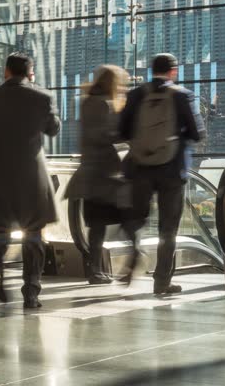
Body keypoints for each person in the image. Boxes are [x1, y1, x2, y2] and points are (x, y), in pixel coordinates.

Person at [0, 52, 61, 309]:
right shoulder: (42, 97)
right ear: (29, 73)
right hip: (32, 178)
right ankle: (31, 291)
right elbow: (53, 129)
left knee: (1, 231)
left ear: (6, 72)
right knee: (33, 236)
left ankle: (0, 278)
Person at [118, 53, 205, 295]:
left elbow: (121, 131)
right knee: (168, 229)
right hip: (172, 171)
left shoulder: (136, 95)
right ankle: (162, 281)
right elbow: (198, 134)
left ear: (151, 70)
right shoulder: (181, 95)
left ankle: (135, 253)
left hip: (139, 169)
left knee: (135, 220)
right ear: (173, 72)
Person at [64, 65, 139, 285]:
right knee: (127, 219)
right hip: (106, 176)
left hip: (91, 176)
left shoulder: (87, 102)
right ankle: (133, 257)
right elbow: (108, 134)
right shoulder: (104, 104)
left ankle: (96, 270)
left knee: (97, 226)